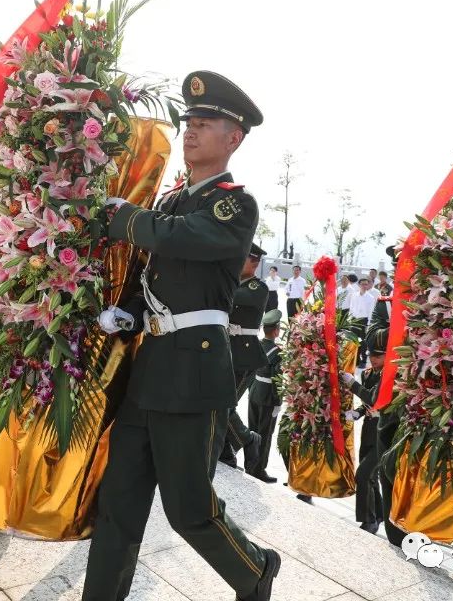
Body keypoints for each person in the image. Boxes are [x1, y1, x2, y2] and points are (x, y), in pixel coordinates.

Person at [83, 71, 281, 601]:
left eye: (205, 122)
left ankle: (255, 569)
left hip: (194, 373)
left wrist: (125, 217)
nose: (190, 130)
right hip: (149, 370)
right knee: (118, 505)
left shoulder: (234, 205)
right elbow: (148, 271)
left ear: (233, 138)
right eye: (188, 121)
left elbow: (179, 239)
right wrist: (122, 312)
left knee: (189, 510)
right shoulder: (169, 202)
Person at [218, 243, 267, 471]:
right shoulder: (234, 281)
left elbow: (231, 297)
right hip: (227, 350)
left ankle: (249, 439)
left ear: (254, 261)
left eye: (243, 258)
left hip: (245, 355)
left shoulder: (258, 287)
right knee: (220, 402)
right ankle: (226, 453)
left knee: (224, 404)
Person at [342, 328, 387, 534]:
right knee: (370, 476)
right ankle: (378, 514)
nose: (374, 359)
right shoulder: (370, 373)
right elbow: (366, 404)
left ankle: (369, 520)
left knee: (363, 474)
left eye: (378, 356)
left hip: (384, 431)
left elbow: (374, 399)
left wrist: (353, 385)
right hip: (369, 430)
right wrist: (358, 413)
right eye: (372, 355)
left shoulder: (390, 376)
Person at [246, 309, 283, 483]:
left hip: (254, 391)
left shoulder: (257, 345)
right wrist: (278, 401)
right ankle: (259, 469)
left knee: (252, 429)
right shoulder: (277, 352)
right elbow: (277, 379)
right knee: (265, 434)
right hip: (268, 396)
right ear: (276, 331)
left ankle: (249, 464)